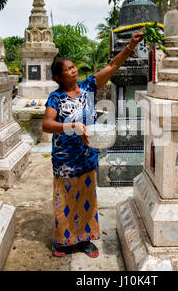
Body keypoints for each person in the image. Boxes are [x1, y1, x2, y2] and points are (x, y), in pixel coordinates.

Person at [43, 31, 144, 258]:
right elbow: (47, 125)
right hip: (65, 159)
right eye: (68, 69)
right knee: (65, 199)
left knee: (87, 198)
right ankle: (63, 242)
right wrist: (72, 127)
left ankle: (86, 240)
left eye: (73, 67)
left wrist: (130, 46)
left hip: (86, 156)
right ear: (59, 77)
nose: (74, 70)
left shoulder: (88, 87)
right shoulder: (56, 98)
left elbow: (112, 66)